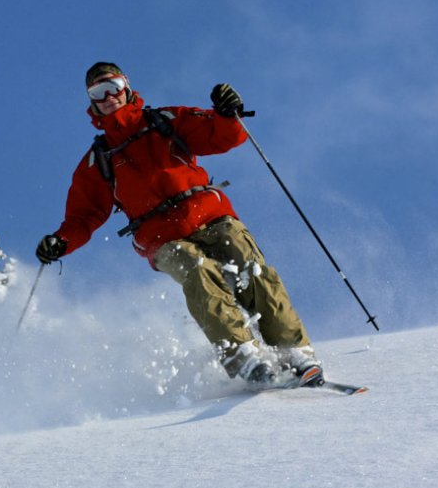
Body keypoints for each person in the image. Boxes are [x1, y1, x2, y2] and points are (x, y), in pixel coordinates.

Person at [36, 62, 321, 387]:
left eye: (113, 85)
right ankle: (243, 355)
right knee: (199, 272)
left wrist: (228, 113)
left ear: (126, 86)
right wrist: (61, 241)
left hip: (209, 214)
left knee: (249, 267)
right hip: (160, 237)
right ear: (91, 102)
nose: (109, 96)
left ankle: (294, 352)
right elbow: (83, 217)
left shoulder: (164, 121)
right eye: (99, 92)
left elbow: (222, 136)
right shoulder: (99, 159)